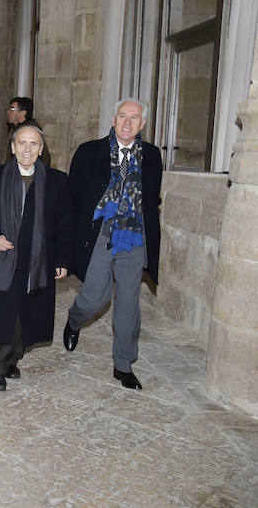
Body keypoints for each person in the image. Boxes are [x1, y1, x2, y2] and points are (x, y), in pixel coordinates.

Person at [62, 98, 162, 390]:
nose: (128, 122)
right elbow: (73, 197)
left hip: (134, 237)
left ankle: (124, 365)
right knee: (95, 298)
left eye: (134, 117)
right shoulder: (89, 151)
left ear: (142, 124)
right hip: (99, 233)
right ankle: (74, 320)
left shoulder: (152, 155)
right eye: (122, 116)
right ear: (113, 119)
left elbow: (152, 197)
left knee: (129, 303)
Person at [0, 124, 72, 391]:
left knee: (27, 313)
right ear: (13, 147)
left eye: (34, 144)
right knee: (8, 312)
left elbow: (63, 224)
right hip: (5, 258)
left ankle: (13, 358)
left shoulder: (57, 181)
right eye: (22, 143)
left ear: (41, 150)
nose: (27, 149)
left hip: (39, 259)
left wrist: (61, 259)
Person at [5, 97, 51, 167]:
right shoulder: (15, 129)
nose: (8, 112)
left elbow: (45, 158)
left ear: (22, 113)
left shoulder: (33, 131)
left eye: (12, 109)